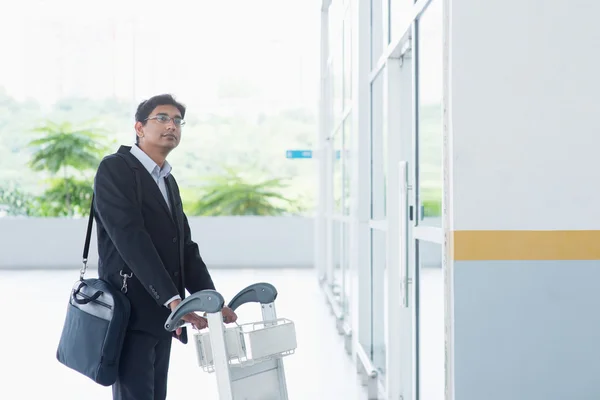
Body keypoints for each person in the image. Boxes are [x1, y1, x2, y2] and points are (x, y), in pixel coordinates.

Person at [93, 94, 238, 400]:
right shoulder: (116, 169)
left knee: (156, 394)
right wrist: (174, 300)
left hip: (164, 314)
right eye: (162, 118)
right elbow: (130, 237)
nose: (171, 125)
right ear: (139, 127)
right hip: (131, 309)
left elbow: (184, 246)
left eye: (177, 120)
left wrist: (209, 299)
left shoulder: (167, 180)